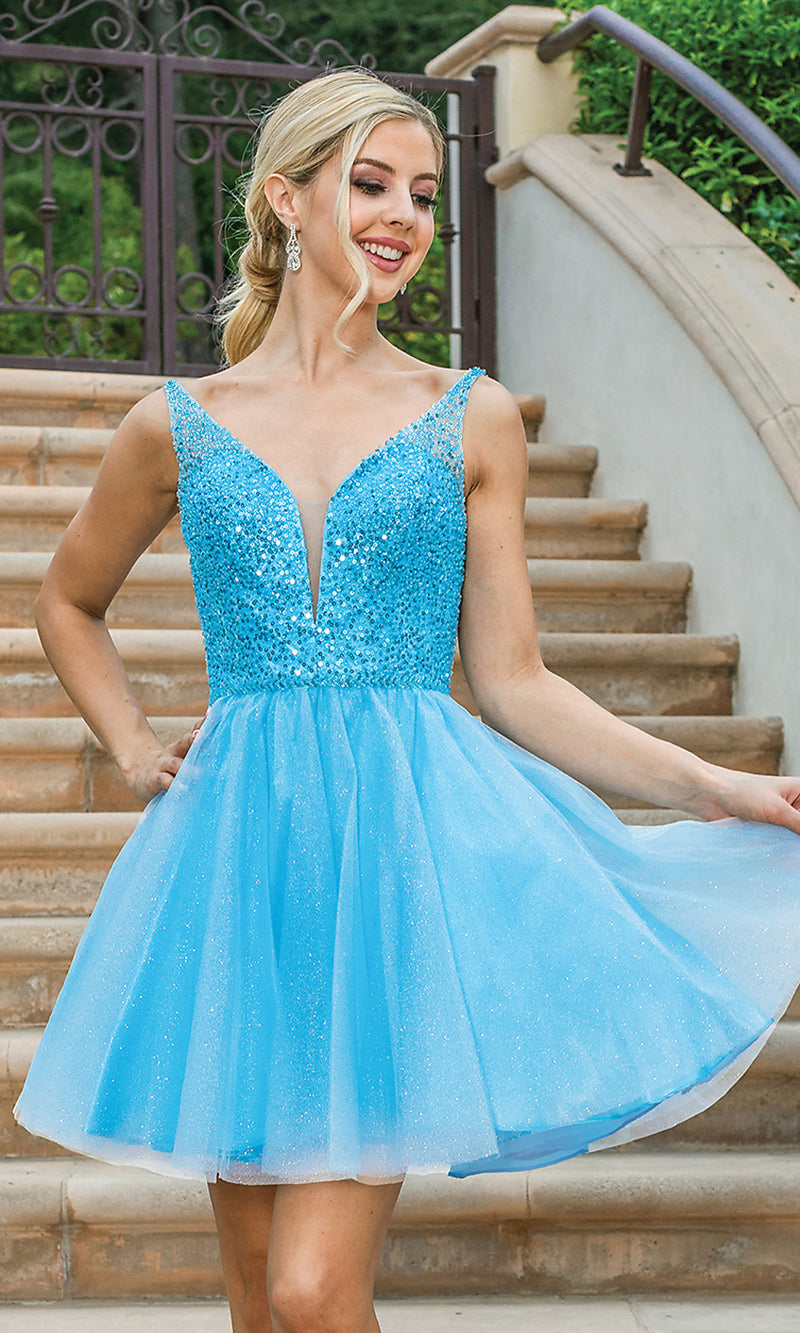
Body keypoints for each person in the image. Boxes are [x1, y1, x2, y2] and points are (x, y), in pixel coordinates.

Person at [13, 66, 800, 1333]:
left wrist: (715, 787)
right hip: (236, 863)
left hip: (392, 866)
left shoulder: (467, 416)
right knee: (255, 1303)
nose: (403, 217)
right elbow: (65, 601)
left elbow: (514, 682)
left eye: (424, 195)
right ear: (285, 199)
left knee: (314, 1293)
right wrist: (135, 742)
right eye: (371, 184)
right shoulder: (176, 424)